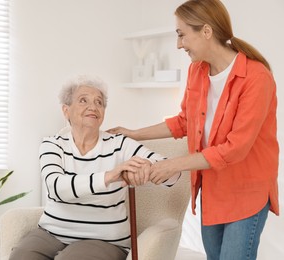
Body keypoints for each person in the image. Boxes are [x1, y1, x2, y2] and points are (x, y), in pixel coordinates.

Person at [108, 0, 279, 259]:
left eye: (181, 35)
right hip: (212, 190)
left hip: (247, 192)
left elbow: (235, 149)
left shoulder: (256, 78)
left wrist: (172, 165)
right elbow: (185, 122)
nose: (179, 44)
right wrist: (133, 133)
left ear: (206, 31)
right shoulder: (197, 71)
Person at [8, 75, 180, 260]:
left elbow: (173, 174)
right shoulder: (52, 144)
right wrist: (110, 176)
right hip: (52, 233)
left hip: (104, 239)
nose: (93, 107)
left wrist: (147, 168)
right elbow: (57, 187)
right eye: (83, 100)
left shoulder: (119, 144)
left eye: (99, 102)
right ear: (66, 110)